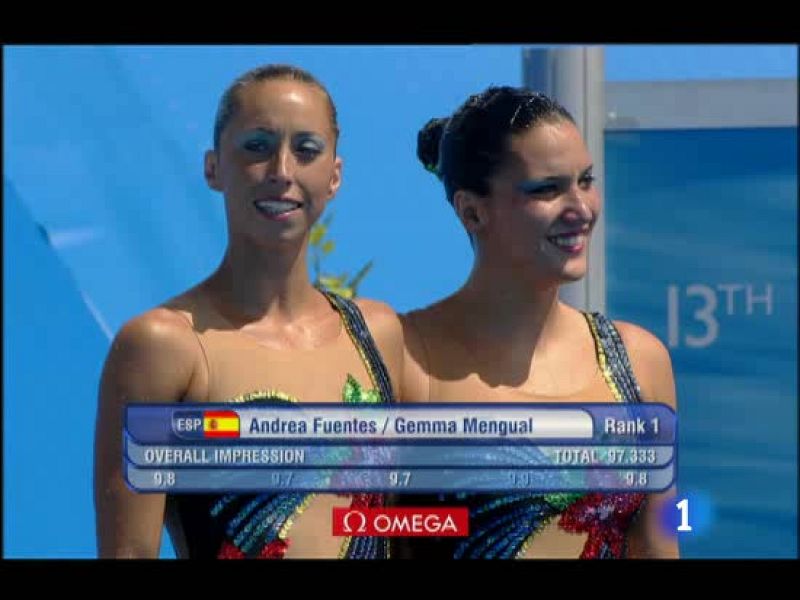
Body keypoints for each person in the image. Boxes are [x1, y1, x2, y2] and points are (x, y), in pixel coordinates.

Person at [94, 64, 403, 559]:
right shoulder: (162, 347)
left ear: (334, 176)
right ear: (213, 167)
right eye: (257, 146)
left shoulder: (377, 334)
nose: (282, 170)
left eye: (306, 150)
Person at [398, 86, 679, 558]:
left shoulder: (640, 362)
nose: (581, 208)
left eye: (585, 181)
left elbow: (660, 542)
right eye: (547, 189)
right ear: (472, 211)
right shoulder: (403, 360)